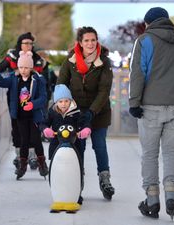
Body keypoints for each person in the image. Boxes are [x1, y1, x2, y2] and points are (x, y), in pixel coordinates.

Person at [129, 7, 174, 220]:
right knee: (171, 153)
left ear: (149, 23)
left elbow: (138, 72)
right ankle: (171, 194)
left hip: (151, 106)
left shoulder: (144, 41)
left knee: (150, 154)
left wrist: (134, 102)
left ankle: (152, 200)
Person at [57, 26, 115, 200]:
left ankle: (105, 180)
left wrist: (92, 111)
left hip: (98, 112)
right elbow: (61, 85)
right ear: (80, 43)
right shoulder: (70, 61)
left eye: (93, 40)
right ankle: (77, 183)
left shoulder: (104, 62)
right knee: (78, 147)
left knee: (99, 145)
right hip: (75, 113)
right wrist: (67, 109)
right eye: (87, 40)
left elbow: (104, 91)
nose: (90, 43)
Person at [0, 51, 49, 180]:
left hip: (34, 116)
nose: (23, 70)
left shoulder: (38, 79)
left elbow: (43, 98)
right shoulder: (14, 78)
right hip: (21, 116)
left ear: (31, 68)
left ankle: (42, 163)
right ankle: (22, 165)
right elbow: (3, 83)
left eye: (26, 68)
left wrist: (33, 104)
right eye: (21, 67)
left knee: (36, 140)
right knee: (24, 140)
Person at [0, 32, 45, 170]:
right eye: (25, 43)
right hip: (15, 100)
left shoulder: (38, 60)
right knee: (17, 127)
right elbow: (0, 68)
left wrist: (38, 101)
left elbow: (42, 80)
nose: (28, 46)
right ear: (20, 44)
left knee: (33, 130)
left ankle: (33, 156)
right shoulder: (12, 57)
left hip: (33, 100)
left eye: (30, 43)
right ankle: (19, 155)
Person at [40, 84, 91, 161]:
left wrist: (86, 129)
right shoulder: (52, 111)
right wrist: (45, 129)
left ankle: (79, 170)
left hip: (74, 143)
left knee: (75, 160)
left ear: (70, 101)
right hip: (56, 143)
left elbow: (84, 122)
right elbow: (44, 123)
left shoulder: (76, 112)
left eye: (66, 101)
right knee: (56, 161)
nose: (63, 104)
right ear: (56, 102)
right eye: (60, 101)